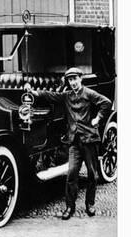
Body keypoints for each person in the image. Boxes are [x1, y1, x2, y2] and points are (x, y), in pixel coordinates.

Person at [25, 67, 112, 220]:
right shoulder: (67, 96)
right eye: (70, 80)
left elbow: (106, 102)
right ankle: (69, 207)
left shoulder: (89, 93)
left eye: (75, 79)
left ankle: (90, 204)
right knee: (71, 174)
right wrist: (34, 93)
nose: (72, 82)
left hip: (89, 139)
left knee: (92, 174)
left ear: (80, 79)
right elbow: (52, 96)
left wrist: (97, 118)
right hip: (74, 141)